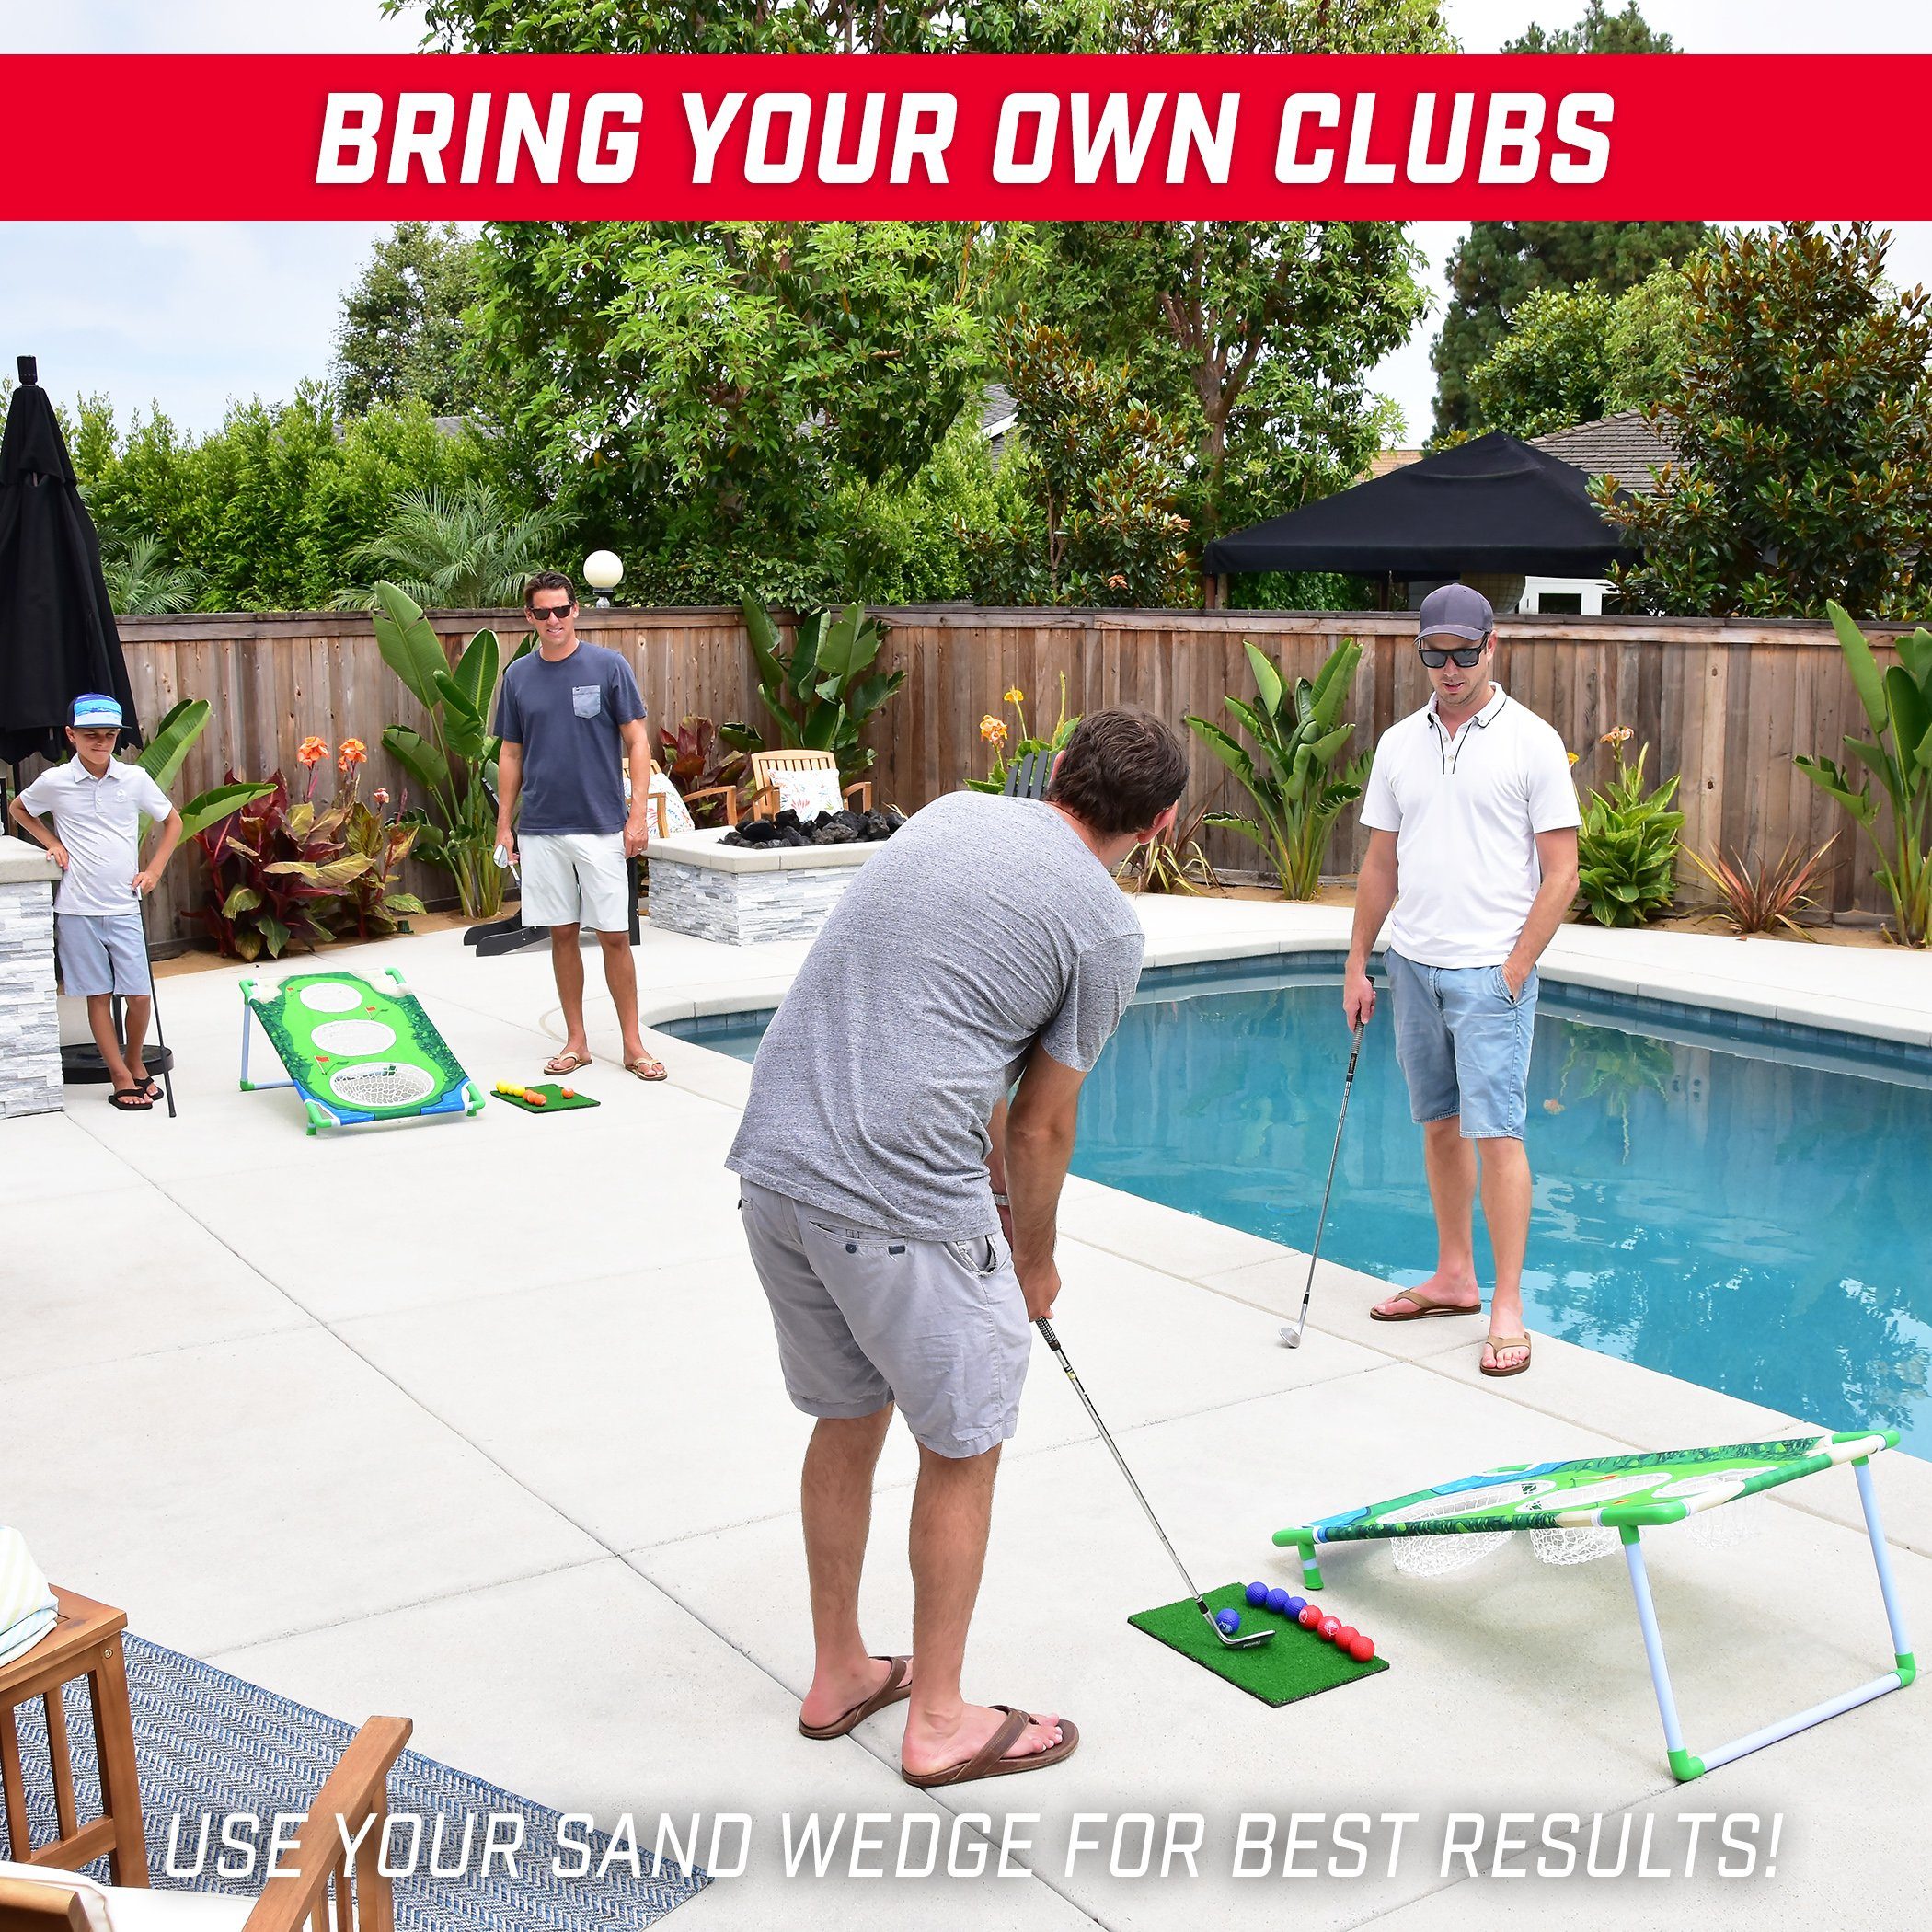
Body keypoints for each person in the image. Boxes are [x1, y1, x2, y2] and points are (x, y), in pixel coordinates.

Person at [727, 709, 1187, 1788]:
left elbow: (937, 1013)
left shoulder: (948, 816)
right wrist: (1032, 1264)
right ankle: (937, 1721)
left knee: (848, 1416)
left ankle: (840, 1670)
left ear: (1058, 770)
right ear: (1159, 824)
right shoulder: (1107, 929)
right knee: (962, 1446)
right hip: (893, 1203)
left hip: (777, 1169)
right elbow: (1040, 1125)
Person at [1342, 583, 1580, 1378]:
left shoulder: (1532, 743)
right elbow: (1381, 863)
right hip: (1411, 964)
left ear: (1493, 646)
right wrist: (1358, 961)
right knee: (1438, 1126)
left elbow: (1562, 874)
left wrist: (1514, 969)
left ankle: (1507, 1305)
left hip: (1490, 975)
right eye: (1433, 653)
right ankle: (1454, 1277)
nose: (1449, 667)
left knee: (1498, 1134)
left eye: (1463, 651)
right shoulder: (1398, 744)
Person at [493, 569, 663, 1081]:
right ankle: (577, 1042)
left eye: (561, 610)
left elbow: (637, 742)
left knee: (614, 935)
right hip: (542, 826)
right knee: (562, 935)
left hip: (602, 825)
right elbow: (510, 752)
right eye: (542, 613)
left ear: (575, 611)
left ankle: (634, 1046)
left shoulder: (608, 667)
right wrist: (505, 825)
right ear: (530, 618)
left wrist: (638, 815)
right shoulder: (518, 677)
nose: (553, 620)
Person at [7, 694, 183, 1112]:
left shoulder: (135, 779)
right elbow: (19, 808)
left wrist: (154, 870)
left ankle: (135, 1061)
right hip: (77, 909)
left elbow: (172, 821)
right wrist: (51, 842)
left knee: (139, 996)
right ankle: (120, 1076)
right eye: (90, 735)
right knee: (99, 994)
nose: (100, 742)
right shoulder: (55, 781)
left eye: (108, 735)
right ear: (72, 736)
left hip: (123, 906)